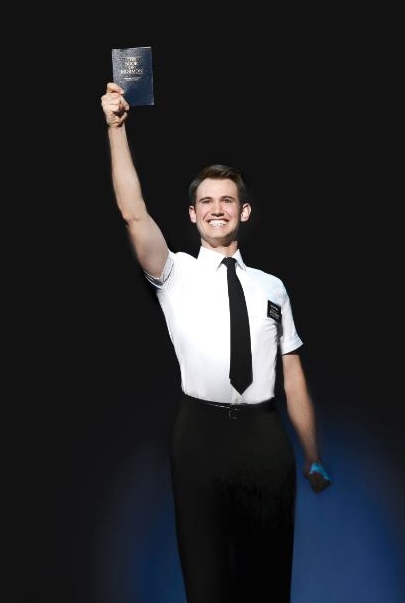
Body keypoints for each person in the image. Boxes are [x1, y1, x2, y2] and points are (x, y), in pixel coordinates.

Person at [100, 81, 332, 603]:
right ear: (192, 215)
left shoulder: (272, 287)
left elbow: (291, 371)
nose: (217, 208)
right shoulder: (174, 273)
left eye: (227, 200)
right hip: (199, 438)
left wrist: (313, 454)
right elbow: (134, 212)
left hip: (265, 439)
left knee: (268, 585)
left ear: (244, 212)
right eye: (206, 201)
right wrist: (116, 128)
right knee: (206, 585)